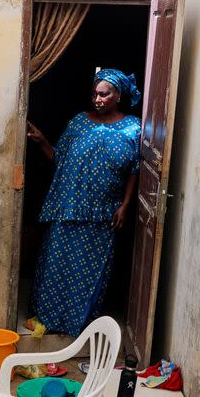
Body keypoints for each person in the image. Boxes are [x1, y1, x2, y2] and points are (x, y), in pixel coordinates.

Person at [25, 69, 142, 337]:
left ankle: (78, 326)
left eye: (104, 94)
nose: (98, 99)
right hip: (70, 207)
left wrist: (125, 205)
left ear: (118, 96)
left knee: (90, 272)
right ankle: (48, 318)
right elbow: (59, 158)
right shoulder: (79, 122)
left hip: (103, 213)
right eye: (95, 94)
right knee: (58, 265)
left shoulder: (133, 128)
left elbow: (136, 169)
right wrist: (42, 141)